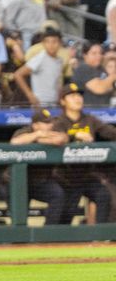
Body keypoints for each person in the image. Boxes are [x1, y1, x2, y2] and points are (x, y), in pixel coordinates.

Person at [52, 83, 114, 224]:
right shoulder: (58, 122)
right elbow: (56, 138)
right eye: (72, 96)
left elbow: (110, 132)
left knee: (103, 195)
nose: (78, 98)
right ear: (63, 101)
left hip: (86, 175)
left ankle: (99, 235)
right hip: (66, 177)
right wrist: (74, 136)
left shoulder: (90, 120)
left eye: (79, 95)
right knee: (66, 216)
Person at [9, 109, 70, 225]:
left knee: (58, 195)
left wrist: (38, 139)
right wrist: (37, 135)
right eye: (46, 123)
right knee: (19, 216)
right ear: (35, 125)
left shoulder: (54, 130)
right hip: (17, 182)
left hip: (40, 182)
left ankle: (48, 234)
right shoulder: (25, 131)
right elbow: (15, 142)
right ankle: (18, 240)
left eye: (50, 122)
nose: (50, 125)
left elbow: (61, 139)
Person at [13, 27, 64, 107]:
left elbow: (57, 81)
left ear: (60, 43)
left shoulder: (59, 61)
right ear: (43, 44)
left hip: (54, 103)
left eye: (54, 42)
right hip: (40, 102)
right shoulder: (40, 58)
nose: (51, 45)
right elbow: (18, 74)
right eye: (47, 42)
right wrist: (29, 95)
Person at [72, 42, 116, 108]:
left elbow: (111, 87)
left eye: (100, 53)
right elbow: (100, 88)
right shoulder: (82, 69)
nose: (98, 56)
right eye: (94, 53)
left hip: (104, 112)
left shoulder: (101, 69)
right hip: (88, 112)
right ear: (85, 55)